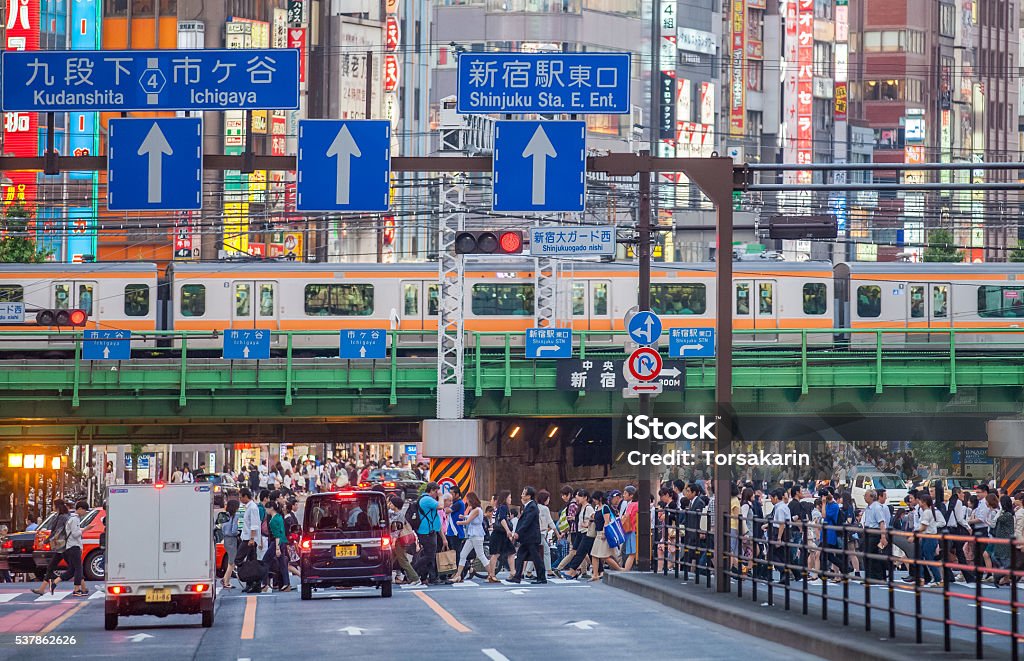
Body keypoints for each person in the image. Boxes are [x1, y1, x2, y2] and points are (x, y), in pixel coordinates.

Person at [50, 501, 90, 597]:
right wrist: (85, 529)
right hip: (73, 546)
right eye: (84, 510)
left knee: (72, 569)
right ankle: (77, 589)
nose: (85, 513)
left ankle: (55, 581)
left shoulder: (72, 518)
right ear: (80, 509)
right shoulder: (74, 519)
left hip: (70, 546)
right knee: (78, 568)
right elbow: (75, 534)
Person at [507, 486, 546, 584]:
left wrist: (518, 533)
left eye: (524, 493)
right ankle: (517, 577)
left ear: (529, 496)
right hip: (528, 538)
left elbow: (527, 522)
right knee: (520, 556)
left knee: (536, 557)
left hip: (531, 537)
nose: (521, 495)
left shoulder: (532, 506)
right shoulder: (528, 506)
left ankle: (541, 578)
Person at [32, 499, 70, 595]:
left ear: (56, 506)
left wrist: (45, 541)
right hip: (62, 546)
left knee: (74, 567)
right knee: (51, 567)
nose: (52, 507)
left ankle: (81, 587)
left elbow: (56, 532)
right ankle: (42, 589)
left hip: (63, 546)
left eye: (53, 505)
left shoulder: (62, 517)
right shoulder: (62, 516)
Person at [414, 482, 446, 586]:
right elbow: (441, 506)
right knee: (429, 556)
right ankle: (412, 570)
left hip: (430, 531)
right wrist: (441, 497)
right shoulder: (426, 499)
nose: (437, 494)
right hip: (426, 532)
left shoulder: (427, 499)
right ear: (431, 490)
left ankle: (425, 577)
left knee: (429, 556)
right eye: (436, 492)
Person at [562, 489, 596, 580]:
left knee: (580, 552)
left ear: (585, 498)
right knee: (587, 553)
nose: (577, 497)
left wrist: (587, 524)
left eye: (579, 496)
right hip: (580, 533)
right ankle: (599, 570)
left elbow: (594, 517)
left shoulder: (588, 508)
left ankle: (572, 571)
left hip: (587, 533)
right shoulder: (581, 507)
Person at [589, 491, 623, 581]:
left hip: (603, 534)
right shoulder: (598, 508)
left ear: (599, 498)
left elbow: (606, 521)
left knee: (604, 556)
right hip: (598, 533)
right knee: (594, 555)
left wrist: (604, 532)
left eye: (595, 499)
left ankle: (619, 569)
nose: (594, 501)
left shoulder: (605, 508)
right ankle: (595, 575)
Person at [237, 488, 265, 594]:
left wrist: (252, 538)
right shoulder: (249, 507)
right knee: (251, 561)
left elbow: (254, 525)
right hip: (248, 538)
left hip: (249, 539)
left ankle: (252, 582)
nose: (240, 499)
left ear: (245, 496)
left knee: (238, 559)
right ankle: (253, 584)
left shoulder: (252, 508)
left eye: (240, 497)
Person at [387, 496, 418, 585]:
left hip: (398, 541)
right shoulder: (392, 513)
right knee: (389, 560)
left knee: (403, 560)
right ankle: (382, 577)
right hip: (395, 541)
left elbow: (397, 530)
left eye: (391, 503)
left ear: (395, 505)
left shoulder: (399, 515)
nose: (389, 505)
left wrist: (393, 542)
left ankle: (415, 578)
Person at [487, 490, 516, 583]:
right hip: (500, 534)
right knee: (496, 554)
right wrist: (508, 530)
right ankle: (491, 575)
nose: (511, 499)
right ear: (505, 498)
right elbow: (502, 519)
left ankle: (513, 572)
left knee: (511, 552)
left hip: (501, 534)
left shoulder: (500, 507)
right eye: (509, 497)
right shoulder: (503, 507)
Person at [862, 489, 890, 582]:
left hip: (874, 532)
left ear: (872, 497)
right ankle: (875, 576)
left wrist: (883, 536)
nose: (864, 497)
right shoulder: (869, 507)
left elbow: (882, 522)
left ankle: (874, 576)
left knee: (870, 554)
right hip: (868, 532)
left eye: (866, 495)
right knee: (871, 555)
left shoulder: (877, 507)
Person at [266, 502, 290, 591]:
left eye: (267, 508)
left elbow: (277, 535)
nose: (266, 510)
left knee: (265, 561)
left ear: (271, 508)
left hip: (276, 542)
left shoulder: (273, 520)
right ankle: (286, 583)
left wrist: (277, 548)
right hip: (283, 541)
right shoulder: (280, 517)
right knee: (282, 563)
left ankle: (264, 583)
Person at [220, 499, 241, 589]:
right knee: (231, 563)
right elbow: (233, 531)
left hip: (225, 539)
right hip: (232, 540)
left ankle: (225, 579)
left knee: (230, 561)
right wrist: (238, 533)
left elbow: (222, 529)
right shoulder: (235, 517)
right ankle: (226, 581)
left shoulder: (224, 515)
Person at [620, 486, 639, 571]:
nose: (623, 495)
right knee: (632, 553)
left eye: (625, 493)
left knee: (631, 553)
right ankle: (627, 568)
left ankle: (626, 569)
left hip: (630, 530)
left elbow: (626, 517)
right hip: (635, 530)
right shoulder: (638, 504)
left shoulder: (631, 505)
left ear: (632, 495)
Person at [445, 487, 466, 562]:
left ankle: (460, 571)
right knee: (452, 552)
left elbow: (447, 511)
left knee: (456, 553)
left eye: (452, 494)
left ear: (457, 494)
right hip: (451, 531)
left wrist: (443, 501)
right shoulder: (455, 503)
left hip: (456, 532)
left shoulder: (458, 503)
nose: (450, 495)